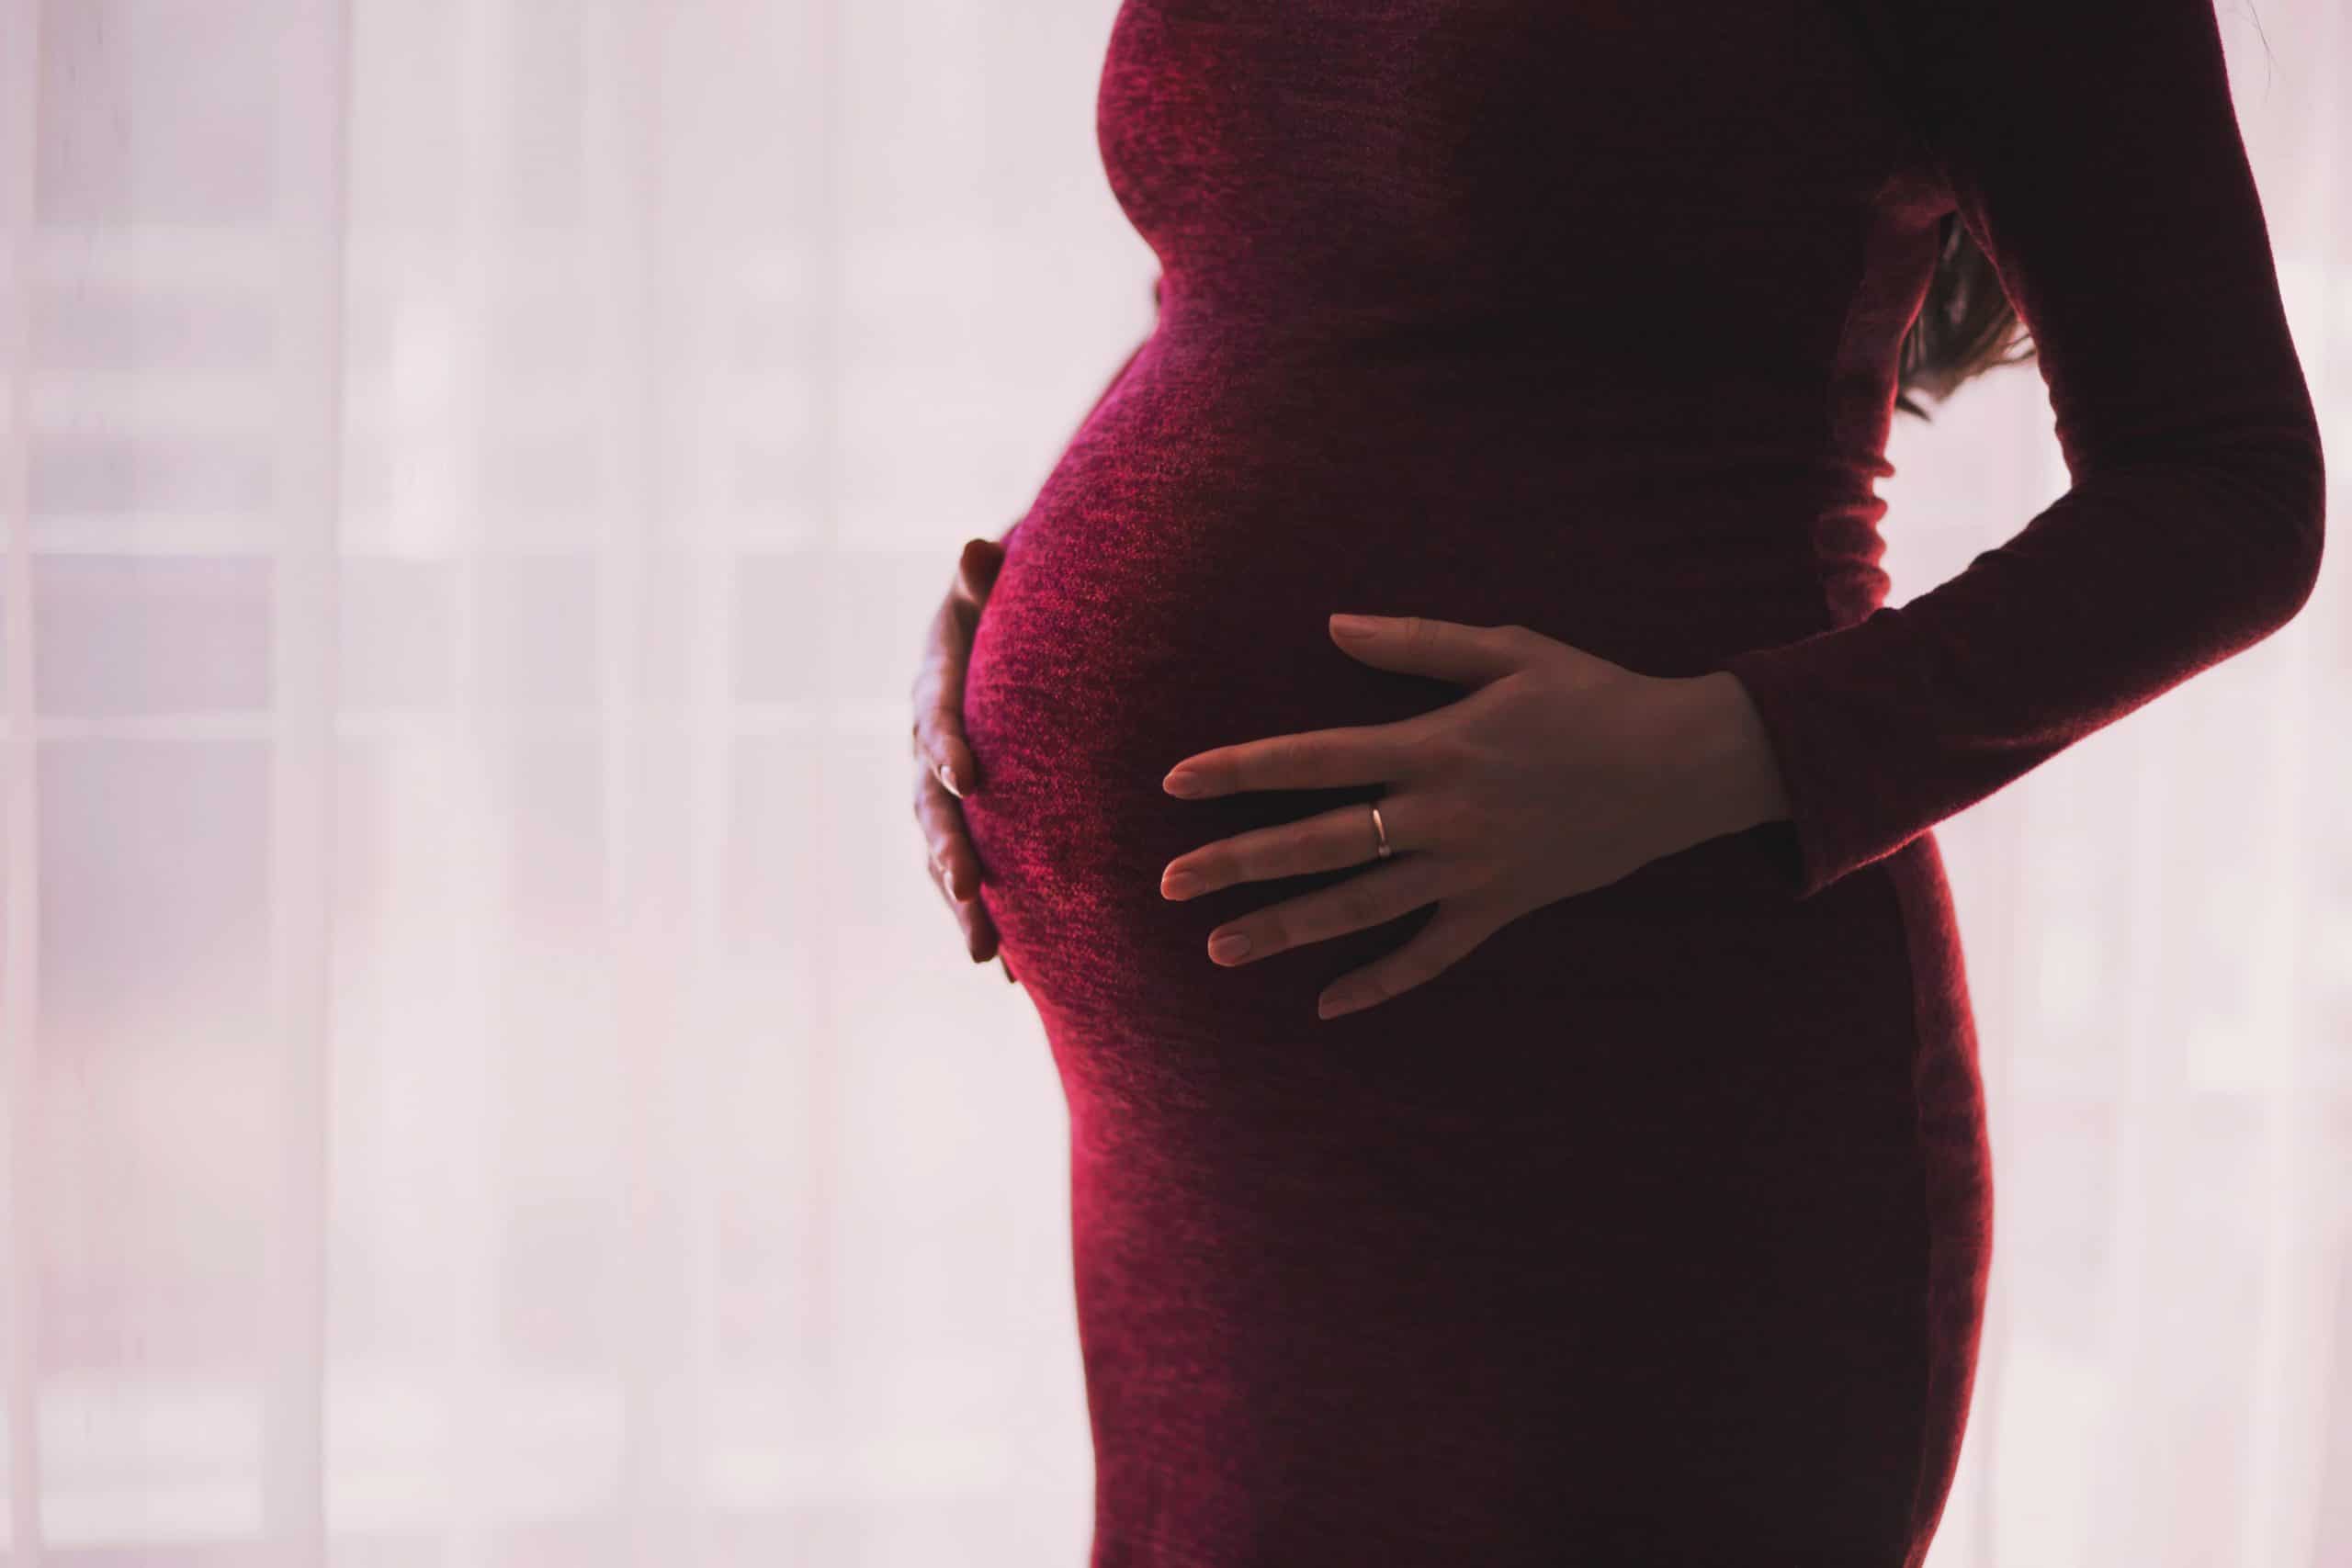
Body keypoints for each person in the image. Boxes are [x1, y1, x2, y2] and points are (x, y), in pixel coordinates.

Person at [909, 0, 2324, 1561]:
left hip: (1617, 1112)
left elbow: (2230, 489)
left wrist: (1717, 750)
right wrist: (1017, 613)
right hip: (1202, 1178)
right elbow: (1287, 290)